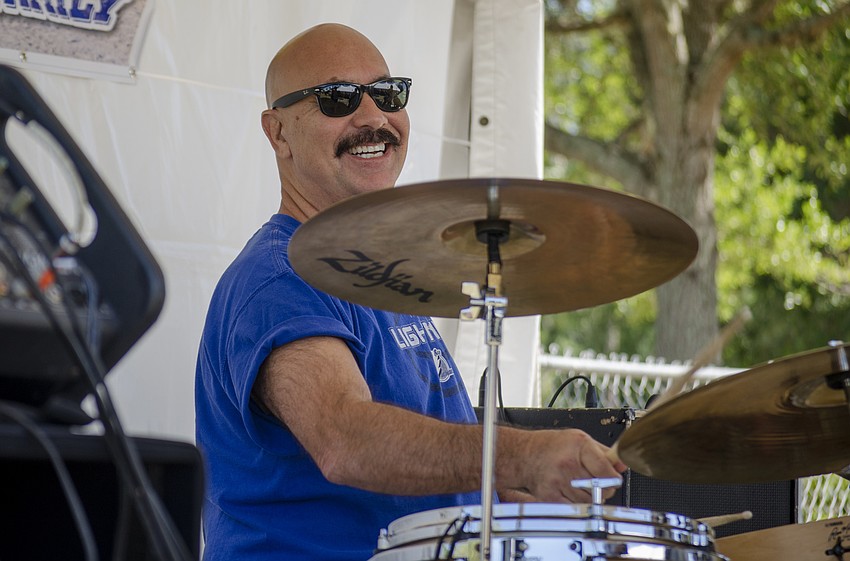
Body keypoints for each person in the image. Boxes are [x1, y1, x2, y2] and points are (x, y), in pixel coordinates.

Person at [194, 22, 626, 561]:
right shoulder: (279, 277)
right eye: (338, 98)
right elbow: (344, 440)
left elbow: (423, 480)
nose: (373, 117)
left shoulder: (377, 277)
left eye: (388, 93)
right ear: (277, 132)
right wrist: (517, 455)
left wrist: (520, 501)